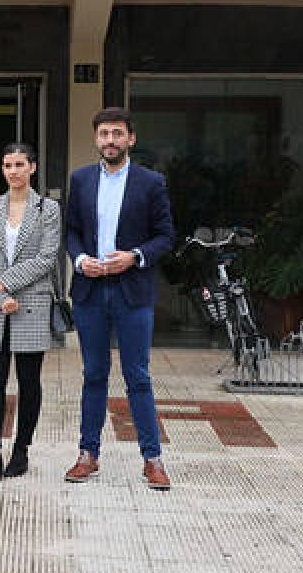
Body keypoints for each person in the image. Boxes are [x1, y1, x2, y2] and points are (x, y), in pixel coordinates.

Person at [63, 107, 175, 490]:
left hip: (133, 291)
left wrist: (134, 257)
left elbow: (165, 237)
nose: (110, 140)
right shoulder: (80, 180)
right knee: (93, 375)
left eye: (117, 134)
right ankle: (87, 454)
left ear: (131, 139)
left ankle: (153, 459)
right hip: (91, 291)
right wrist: (79, 260)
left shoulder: (151, 183)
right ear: (96, 139)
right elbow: (72, 231)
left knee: (137, 377)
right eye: (104, 134)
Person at [0, 142, 61, 482]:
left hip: (31, 305)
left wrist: (3, 285)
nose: (13, 171)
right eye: (8, 165)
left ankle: (20, 451)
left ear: (32, 168)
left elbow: (46, 258)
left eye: (20, 164)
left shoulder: (47, 209)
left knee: (29, 382)